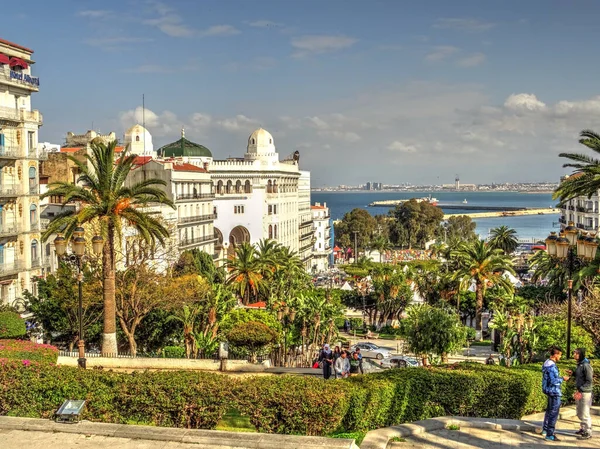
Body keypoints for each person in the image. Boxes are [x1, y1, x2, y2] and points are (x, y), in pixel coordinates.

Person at [542, 346, 570, 441]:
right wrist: (563, 378)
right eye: (560, 355)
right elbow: (553, 380)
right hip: (554, 391)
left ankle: (545, 430)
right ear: (555, 355)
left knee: (549, 411)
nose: (560, 357)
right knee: (554, 413)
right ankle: (550, 434)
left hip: (549, 390)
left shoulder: (546, 363)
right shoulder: (552, 366)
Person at [568, 348, 593, 440]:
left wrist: (581, 389)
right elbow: (580, 375)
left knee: (585, 412)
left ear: (581, 354)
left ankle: (588, 431)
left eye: (576, 354)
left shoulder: (586, 365)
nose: (574, 355)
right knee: (579, 412)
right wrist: (573, 373)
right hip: (580, 391)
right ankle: (583, 428)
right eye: (574, 353)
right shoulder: (580, 364)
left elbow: (589, 380)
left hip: (585, 392)